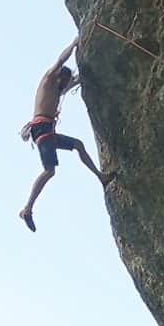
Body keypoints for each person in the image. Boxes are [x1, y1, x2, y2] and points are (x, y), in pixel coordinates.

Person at [19, 36, 114, 232]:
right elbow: (60, 61)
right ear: (60, 77)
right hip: (42, 129)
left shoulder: (58, 88)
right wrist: (73, 44)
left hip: (47, 131)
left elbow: (77, 80)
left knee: (78, 145)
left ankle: (100, 176)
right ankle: (27, 209)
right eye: (65, 81)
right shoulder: (48, 80)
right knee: (49, 171)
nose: (66, 85)